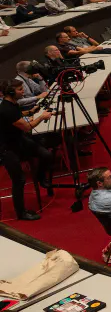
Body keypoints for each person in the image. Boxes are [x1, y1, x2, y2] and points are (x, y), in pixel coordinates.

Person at [0, 80, 55, 220]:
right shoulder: (6, 109)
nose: (23, 91)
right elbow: (27, 127)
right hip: (7, 148)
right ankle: (21, 213)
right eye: (20, 89)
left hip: (19, 141)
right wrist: (42, 116)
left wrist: (31, 111)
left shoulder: (12, 104)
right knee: (19, 181)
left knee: (46, 154)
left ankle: (40, 177)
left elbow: (18, 115)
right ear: (11, 92)